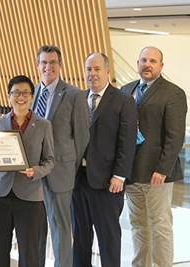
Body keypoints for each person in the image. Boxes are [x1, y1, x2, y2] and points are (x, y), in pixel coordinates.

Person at [121, 46, 187, 267]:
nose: (146, 64)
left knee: (159, 225)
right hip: (131, 171)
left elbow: (175, 136)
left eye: (152, 61)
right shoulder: (126, 89)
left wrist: (163, 169)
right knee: (138, 224)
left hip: (157, 173)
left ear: (161, 66)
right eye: (143, 60)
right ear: (138, 63)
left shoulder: (173, 93)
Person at [72, 52, 137, 266]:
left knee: (108, 238)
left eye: (97, 69)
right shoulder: (79, 98)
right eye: (89, 69)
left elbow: (127, 143)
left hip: (108, 182)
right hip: (78, 180)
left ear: (108, 71)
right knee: (80, 238)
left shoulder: (123, 100)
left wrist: (119, 175)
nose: (93, 74)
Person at [31, 45, 89, 267]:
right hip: (34, 173)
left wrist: (70, 168)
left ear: (60, 65)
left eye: (53, 62)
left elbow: (82, 138)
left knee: (61, 228)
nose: (48, 66)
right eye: (44, 62)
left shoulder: (74, 95)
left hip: (61, 174)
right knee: (36, 227)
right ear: (38, 65)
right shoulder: (33, 92)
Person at [0, 75, 54, 267]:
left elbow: (50, 161)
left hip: (30, 197)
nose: (20, 97)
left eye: (25, 92)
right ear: (9, 96)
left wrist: (36, 171)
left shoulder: (43, 125)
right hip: (0, 194)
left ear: (32, 97)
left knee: (30, 256)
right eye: (16, 92)